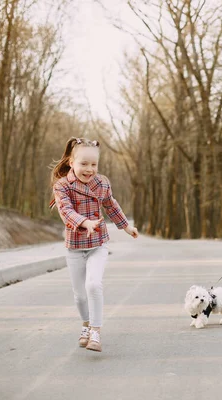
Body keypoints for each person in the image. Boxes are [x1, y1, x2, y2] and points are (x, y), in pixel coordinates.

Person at [51, 137, 138, 352]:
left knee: (93, 285)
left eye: (93, 164)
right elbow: (66, 211)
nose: (89, 169)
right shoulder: (62, 186)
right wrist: (84, 222)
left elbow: (110, 204)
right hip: (74, 246)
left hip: (98, 243)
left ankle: (96, 332)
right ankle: (86, 324)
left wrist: (125, 226)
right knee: (80, 295)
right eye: (84, 164)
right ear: (71, 162)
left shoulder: (102, 183)